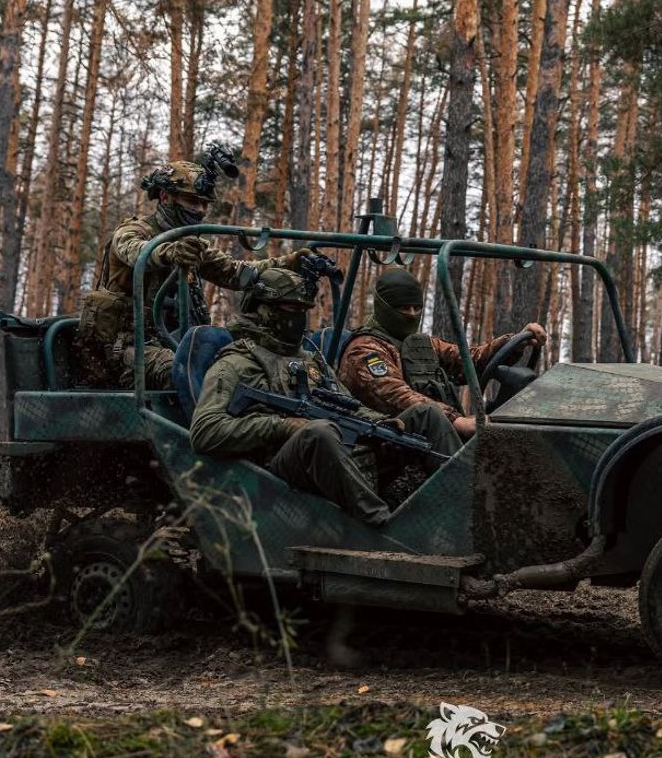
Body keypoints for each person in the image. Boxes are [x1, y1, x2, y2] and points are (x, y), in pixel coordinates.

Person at [189, 267, 461, 526]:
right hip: (279, 473)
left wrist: (378, 422)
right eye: (290, 309)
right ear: (262, 309)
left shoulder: (311, 361)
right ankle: (383, 528)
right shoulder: (235, 363)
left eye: (303, 310)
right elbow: (205, 430)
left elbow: (345, 404)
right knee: (319, 433)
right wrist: (282, 426)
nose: (298, 317)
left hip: (341, 458)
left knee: (426, 415)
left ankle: (464, 508)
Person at [75, 158, 305, 388]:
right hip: (125, 348)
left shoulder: (190, 243)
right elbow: (135, 251)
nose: (200, 210)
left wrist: (292, 262)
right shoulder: (133, 231)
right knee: (185, 370)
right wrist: (169, 251)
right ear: (165, 197)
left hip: (172, 341)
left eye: (205, 204)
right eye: (192, 201)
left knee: (239, 364)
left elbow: (234, 272)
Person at [338, 267, 547, 438]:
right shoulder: (364, 349)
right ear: (383, 307)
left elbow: (470, 361)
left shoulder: (421, 346)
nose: (412, 315)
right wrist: (456, 420)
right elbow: (393, 393)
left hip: (432, 438)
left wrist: (515, 342)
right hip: (388, 442)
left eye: (416, 308)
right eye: (403, 308)